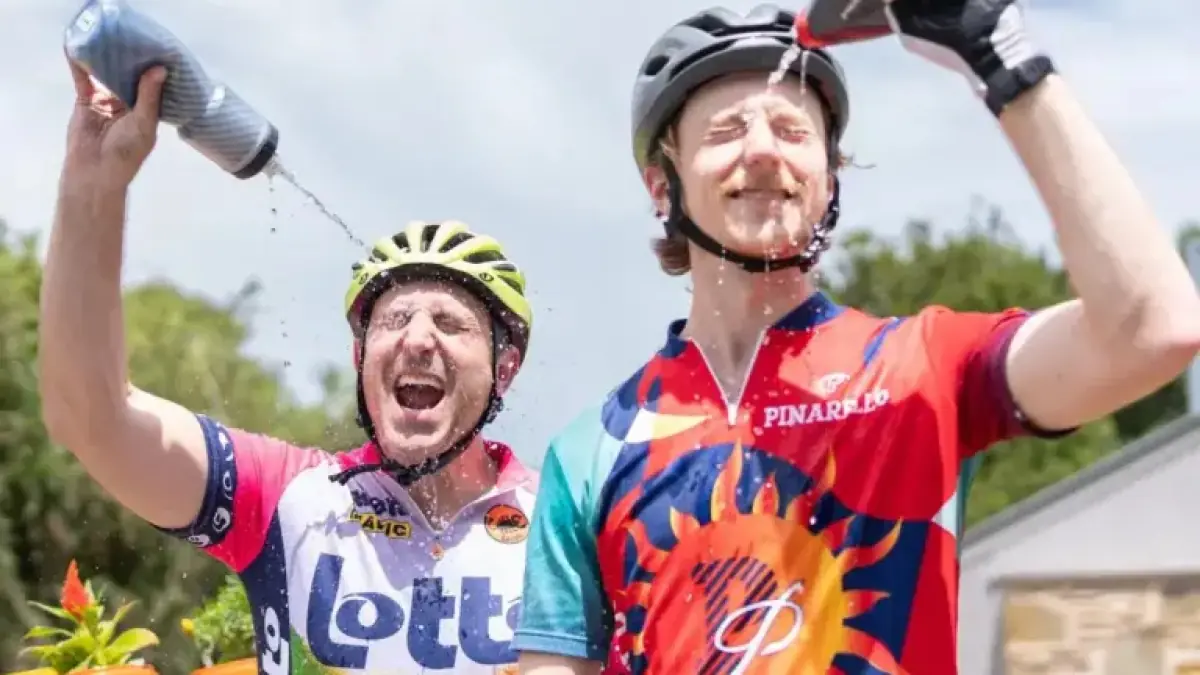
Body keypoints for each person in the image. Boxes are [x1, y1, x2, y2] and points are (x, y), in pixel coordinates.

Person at [513, 2, 1200, 674]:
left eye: (792, 129)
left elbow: (1154, 330)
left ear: (829, 176)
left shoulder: (921, 367)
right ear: (662, 186)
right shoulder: (592, 449)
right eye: (727, 131)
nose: (763, 150)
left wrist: (1005, 61)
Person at [40, 54, 537, 674]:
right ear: (360, 359)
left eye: (450, 323)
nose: (417, 340)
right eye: (393, 321)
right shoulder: (287, 495)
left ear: (505, 368)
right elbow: (91, 417)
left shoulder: (564, 526)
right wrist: (93, 183)